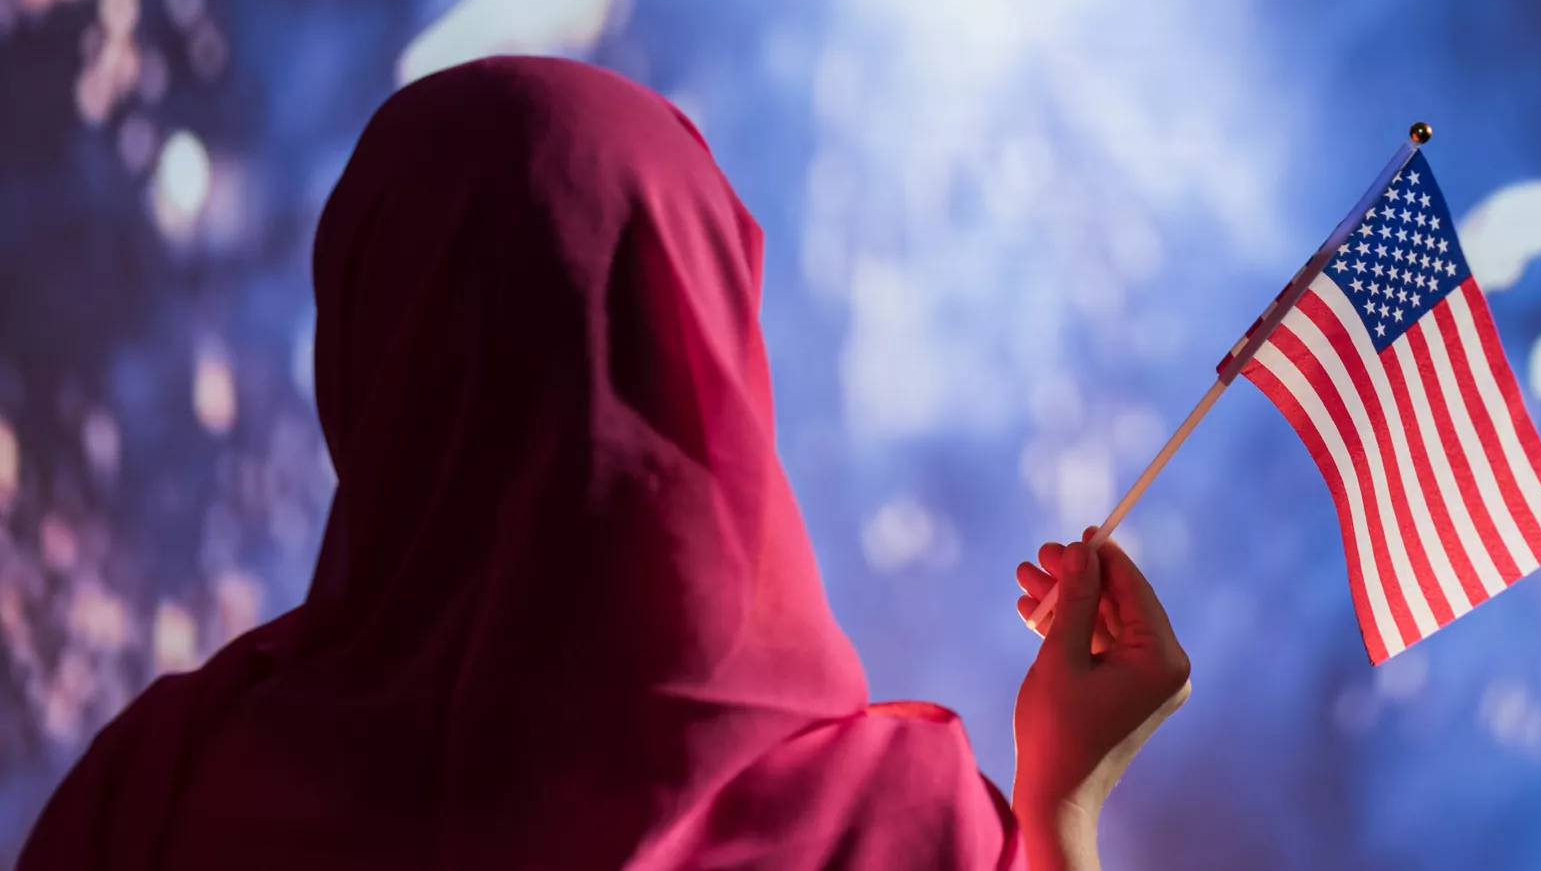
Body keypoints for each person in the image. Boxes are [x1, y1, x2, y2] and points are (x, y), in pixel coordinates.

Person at [20, 57, 1188, 871]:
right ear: (714, 344)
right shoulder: (895, 833)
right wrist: (1061, 807)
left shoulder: (157, 802)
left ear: (373, 351)